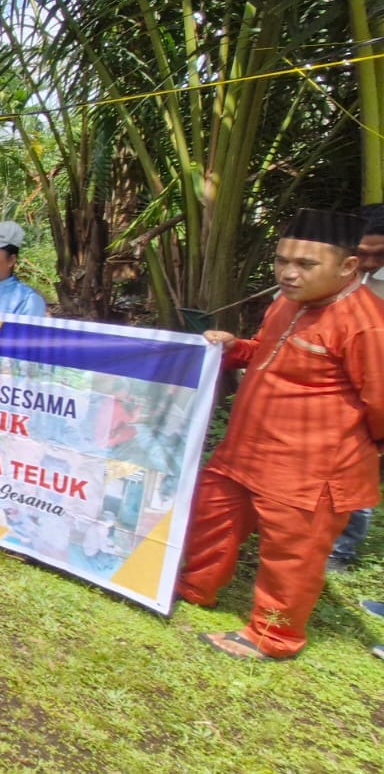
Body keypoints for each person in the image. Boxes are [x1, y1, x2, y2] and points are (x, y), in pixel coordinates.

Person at [177, 208, 384, 660]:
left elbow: (381, 402)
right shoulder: (288, 301)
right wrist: (236, 348)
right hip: (245, 448)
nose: (288, 274)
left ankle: (274, 637)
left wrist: (364, 448)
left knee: (293, 553)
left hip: (310, 466)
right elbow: (269, 353)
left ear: (348, 266)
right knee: (213, 516)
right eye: (281, 261)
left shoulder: (367, 322)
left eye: (305, 265)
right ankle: (193, 587)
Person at [328, 206, 384, 572]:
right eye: (360, 252)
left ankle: (340, 552)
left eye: (377, 254)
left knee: (360, 470)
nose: (366, 261)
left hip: (375, 390)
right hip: (333, 391)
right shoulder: (330, 272)